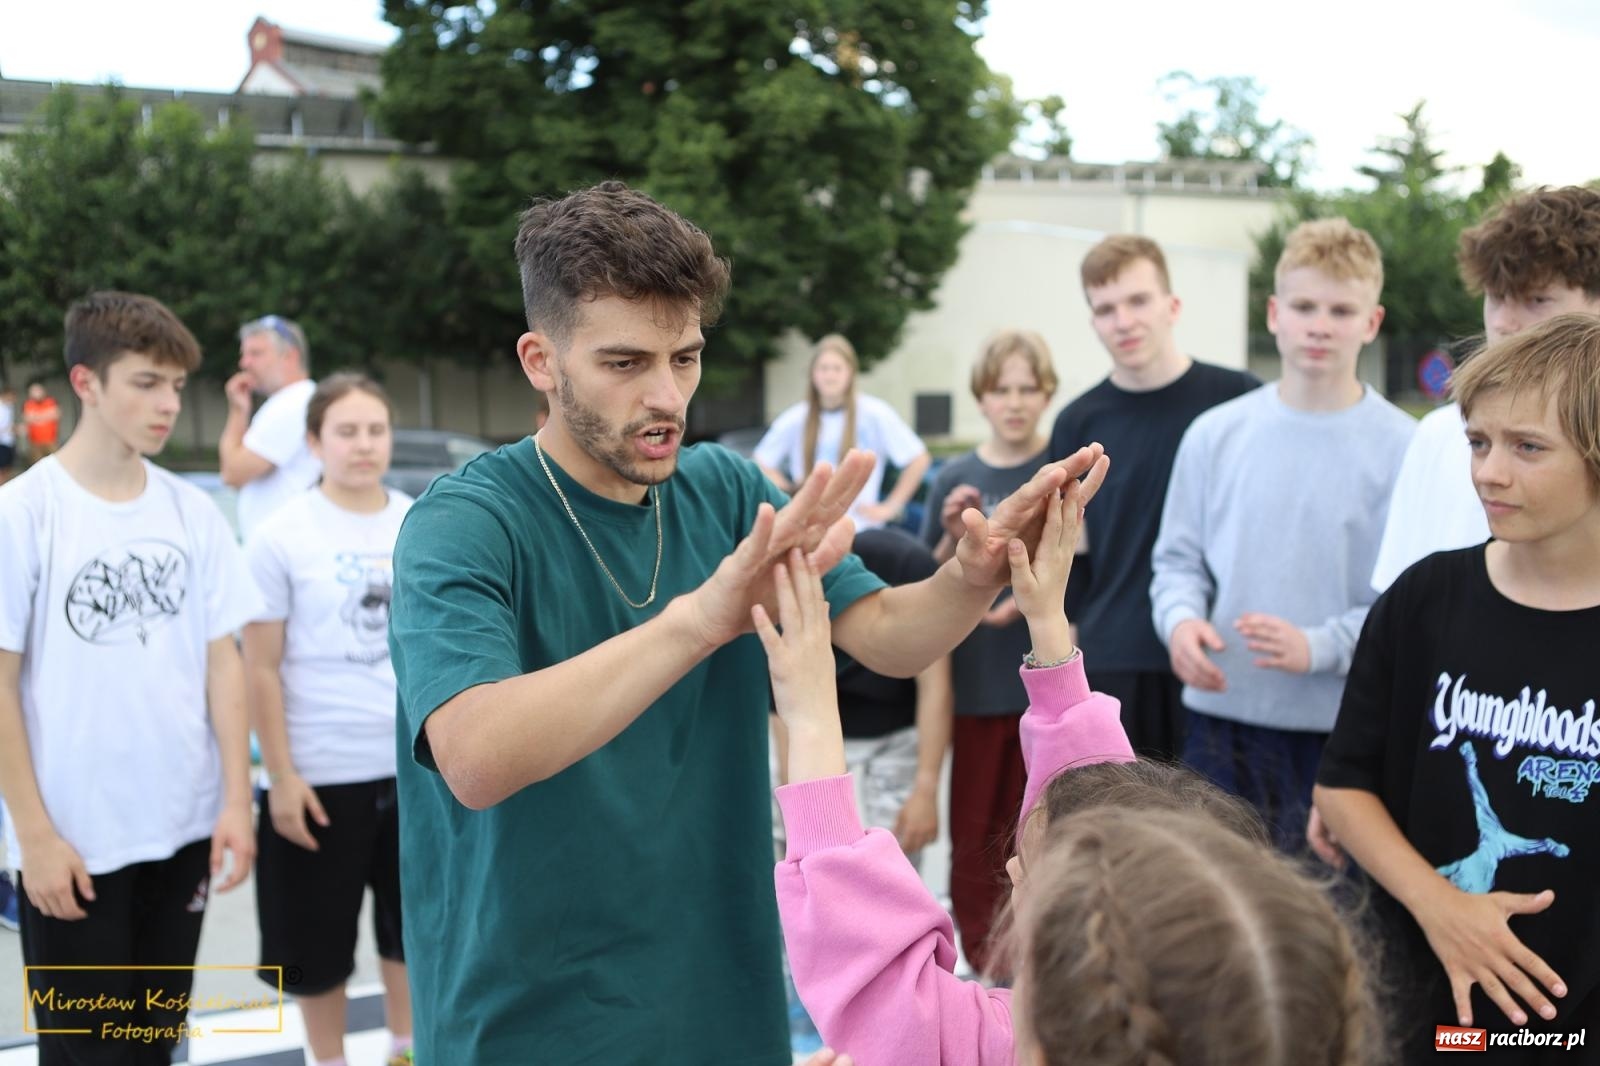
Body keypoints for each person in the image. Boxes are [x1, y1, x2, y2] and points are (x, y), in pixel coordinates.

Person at [386, 180, 1106, 1065]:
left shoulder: (724, 489)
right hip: (527, 1017)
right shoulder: (463, 523)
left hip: (722, 998)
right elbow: (474, 757)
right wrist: (701, 620)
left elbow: (888, 636)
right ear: (541, 360)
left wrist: (969, 576)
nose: (666, 396)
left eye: (685, 357)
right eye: (625, 363)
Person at [763, 480, 1378, 1066]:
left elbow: (878, 979)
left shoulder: (996, 1043)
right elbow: (1104, 810)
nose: (1011, 869)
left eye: (1031, 875)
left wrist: (810, 714)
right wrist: (1048, 624)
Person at [1315, 314, 1600, 1063]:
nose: (1488, 473)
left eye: (1527, 447)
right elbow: (1343, 786)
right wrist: (1441, 906)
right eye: (1478, 442)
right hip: (1436, 1015)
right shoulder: (1424, 600)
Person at [0, 292, 260, 1066]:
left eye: (176, 385)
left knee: (151, 1045)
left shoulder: (191, 511)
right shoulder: (24, 513)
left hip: (181, 827)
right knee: (85, 1052)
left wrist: (235, 803)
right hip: (75, 841)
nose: (168, 404)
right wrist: (33, 837)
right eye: (146, 383)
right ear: (86, 382)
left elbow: (223, 663)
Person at [1150, 218, 1415, 851]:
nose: (1319, 325)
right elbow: (1177, 563)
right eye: (1303, 307)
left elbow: (1409, 600)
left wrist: (1319, 646)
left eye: (1340, 310)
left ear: (1372, 322)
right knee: (1218, 896)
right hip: (1219, 722)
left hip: (1342, 731)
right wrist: (1180, 623)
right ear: (1274, 313)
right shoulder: (1214, 434)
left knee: (1324, 906)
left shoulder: (1406, 448)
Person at [242, 374, 414, 1066]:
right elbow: (259, 668)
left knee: (412, 933)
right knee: (316, 948)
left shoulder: (419, 520)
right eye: (346, 431)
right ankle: (328, 1057)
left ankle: (406, 1048)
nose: (363, 444)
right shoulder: (280, 535)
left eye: (375, 430)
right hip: (317, 775)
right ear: (314, 443)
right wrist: (280, 776)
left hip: (412, 769)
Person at [1049, 235, 1258, 760]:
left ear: (1172, 305)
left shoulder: (1239, 400)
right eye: (1106, 309)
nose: (1123, 321)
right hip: (1116, 660)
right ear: (1093, 321)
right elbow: (1070, 556)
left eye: (1138, 301)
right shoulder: (1078, 422)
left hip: (1220, 654)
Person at [1371, 186, 1600, 592]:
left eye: (1536, 299)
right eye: (1496, 297)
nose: (1504, 322)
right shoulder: (1439, 433)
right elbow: (1398, 595)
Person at [918, 328, 1056, 975]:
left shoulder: (1057, 468)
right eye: (1003, 389)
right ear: (981, 397)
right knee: (975, 838)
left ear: (1047, 394)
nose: (1016, 402)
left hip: (1044, 694)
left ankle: (1040, 965)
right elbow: (924, 582)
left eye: (1028, 388)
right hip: (974, 693)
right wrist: (955, 541)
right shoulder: (957, 476)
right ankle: (983, 965)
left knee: (1042, 837)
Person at [755, 333, 931, 530]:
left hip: (861, 528)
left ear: (850, 373)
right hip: (809, 529)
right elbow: (761, 461)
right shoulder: (797, 417)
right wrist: (788, 494)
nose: (830, 376)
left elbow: (918, 458)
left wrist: (890, 506)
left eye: (837, 369)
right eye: (824, 368)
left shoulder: (874, 414)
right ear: (813, 373)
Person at [221, 313, 321, 538]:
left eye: (256, 353)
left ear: (290, 356)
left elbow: (232, 473)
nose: (244, 363)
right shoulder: (297, 400)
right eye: (244, 354)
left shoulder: (293, 403)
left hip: (285, 545)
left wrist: (237, 412)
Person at [21, 383, 61, 464]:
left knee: (54, 463)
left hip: (51, 441)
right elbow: (27, 418)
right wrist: (47, 415)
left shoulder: (51, 402)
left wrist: (35, 417)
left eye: (38, 390)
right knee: (36, 465)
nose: (36, 393)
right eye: (33, 391)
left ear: (43, 391)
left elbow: (56, 415)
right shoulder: (28, 404)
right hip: (34, 442)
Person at [0, 386, 15, 486]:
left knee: (7, 468)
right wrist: (13, 429)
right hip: (1, 443)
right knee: (2, 469)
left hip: (9, 442)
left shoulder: (9, 407)